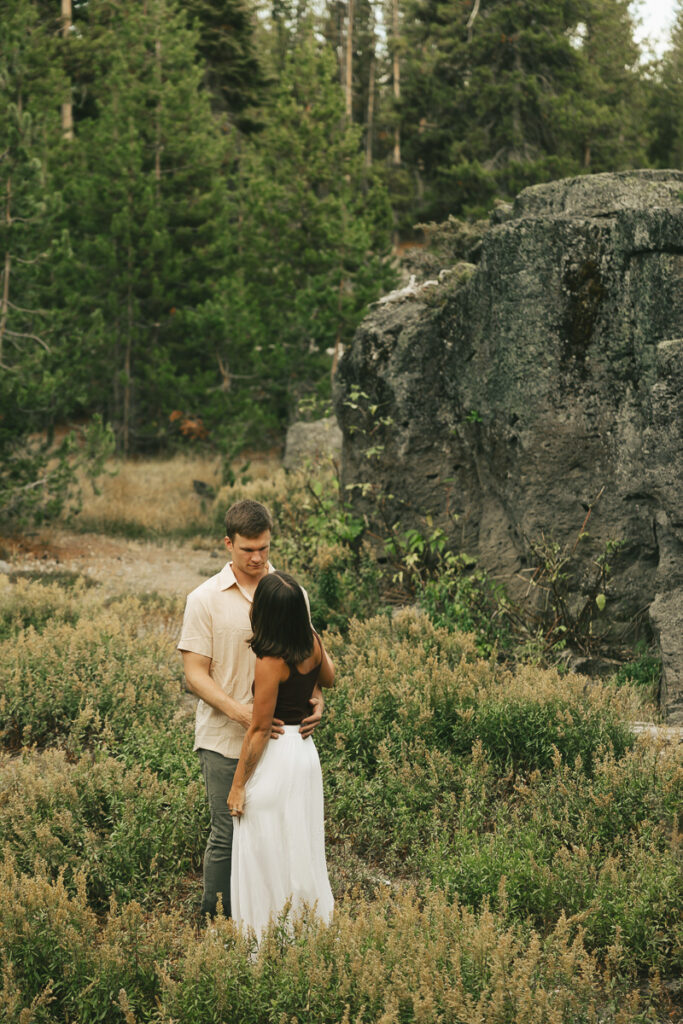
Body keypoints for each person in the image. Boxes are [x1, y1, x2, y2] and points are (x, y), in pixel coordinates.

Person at [177, 499, 324, 921]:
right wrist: (242, 713)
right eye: (247, 550)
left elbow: (306, 654)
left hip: (281, 743)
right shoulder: (204, 599)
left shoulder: (291, 591)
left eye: (264, 547)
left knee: (279, 832)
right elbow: (194, 674)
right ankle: (215, 922)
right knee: (228, 833)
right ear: (228, 544)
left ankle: (270, 921)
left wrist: (318, 700)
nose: (258, 558)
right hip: (226, 738)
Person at [227, 570, 335, 940]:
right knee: (299, 842)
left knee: (263, 844)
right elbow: (330, 677)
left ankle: (264, 935)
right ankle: (305, 930)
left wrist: (238, 785)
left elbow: (258, 729)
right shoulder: (313, 642)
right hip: (304, 754)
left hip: (277, 755)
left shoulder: (271, 660)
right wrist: (315, 695)